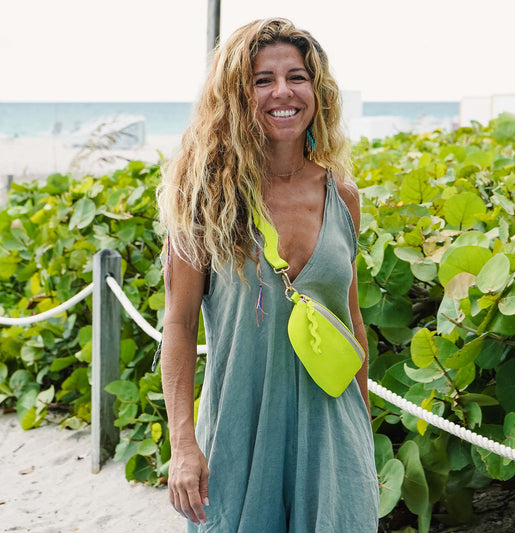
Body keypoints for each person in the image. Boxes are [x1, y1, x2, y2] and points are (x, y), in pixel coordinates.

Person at [157, 18, 379, 532]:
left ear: (316, 90)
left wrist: (360, 434)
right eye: (262, 80)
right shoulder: (206, 198)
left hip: (331, 431)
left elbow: (352, 321)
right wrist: (184, 443)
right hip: (240, 428)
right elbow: (180, 324)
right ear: (237, 95)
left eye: (296, 77)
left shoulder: (341, 197)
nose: (283, 92)